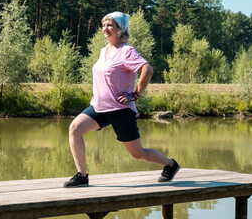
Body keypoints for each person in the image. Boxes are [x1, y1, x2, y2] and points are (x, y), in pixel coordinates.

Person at [63, 11, 180, 188]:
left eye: (110, 25)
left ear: (121, 29)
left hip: (120, 109)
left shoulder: (127, 51)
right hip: (99, 107)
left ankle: (171, 165)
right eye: (103, 25)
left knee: (137, 154)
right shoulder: (104, 51)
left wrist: (135, 94)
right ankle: (82, 175)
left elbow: (147, 70)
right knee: (75, 128)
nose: (105, 28)